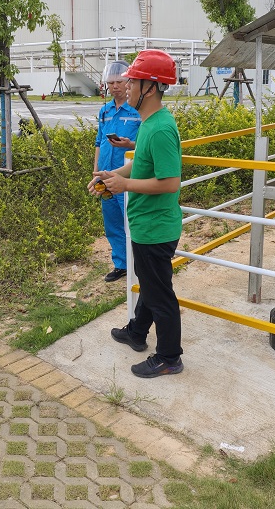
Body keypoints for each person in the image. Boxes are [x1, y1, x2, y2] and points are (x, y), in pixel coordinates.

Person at [89, 50, 184, 378]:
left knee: (160, 295)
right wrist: (111, 176)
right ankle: (136, 331)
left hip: (156, 228)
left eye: (133, 81)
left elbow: (170, 182)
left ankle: (169, 357)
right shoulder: (149, 124)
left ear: (151, 87)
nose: (126, 86)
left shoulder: (159, 129)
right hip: (146, 225)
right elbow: (140, 164)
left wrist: (125, 184)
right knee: (151, 283)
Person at [94, 60, 140, 282]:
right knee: (111, 221)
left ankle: (138, 265)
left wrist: (129, 144)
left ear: (128, 82)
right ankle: (121, 264)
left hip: (127, 178)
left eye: (119, 82)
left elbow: (145, 145)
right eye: (110, 83)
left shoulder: (137, 111)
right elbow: (98, 142)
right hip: (105, 176)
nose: (115, 86)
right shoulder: (105, 111)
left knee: (130, 221)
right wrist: (96, 171)